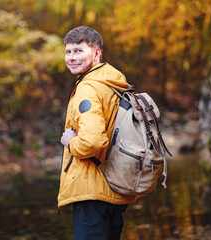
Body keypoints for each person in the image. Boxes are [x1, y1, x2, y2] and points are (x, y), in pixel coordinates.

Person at [57, 26, 139, 240]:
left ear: (96, 53)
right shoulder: (111, 82)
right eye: (68, 52)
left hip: (91, 191)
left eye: (78, 51)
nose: (71, 58)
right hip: (112, 190)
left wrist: (71, 142)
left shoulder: (88, 88)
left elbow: (92, 142)